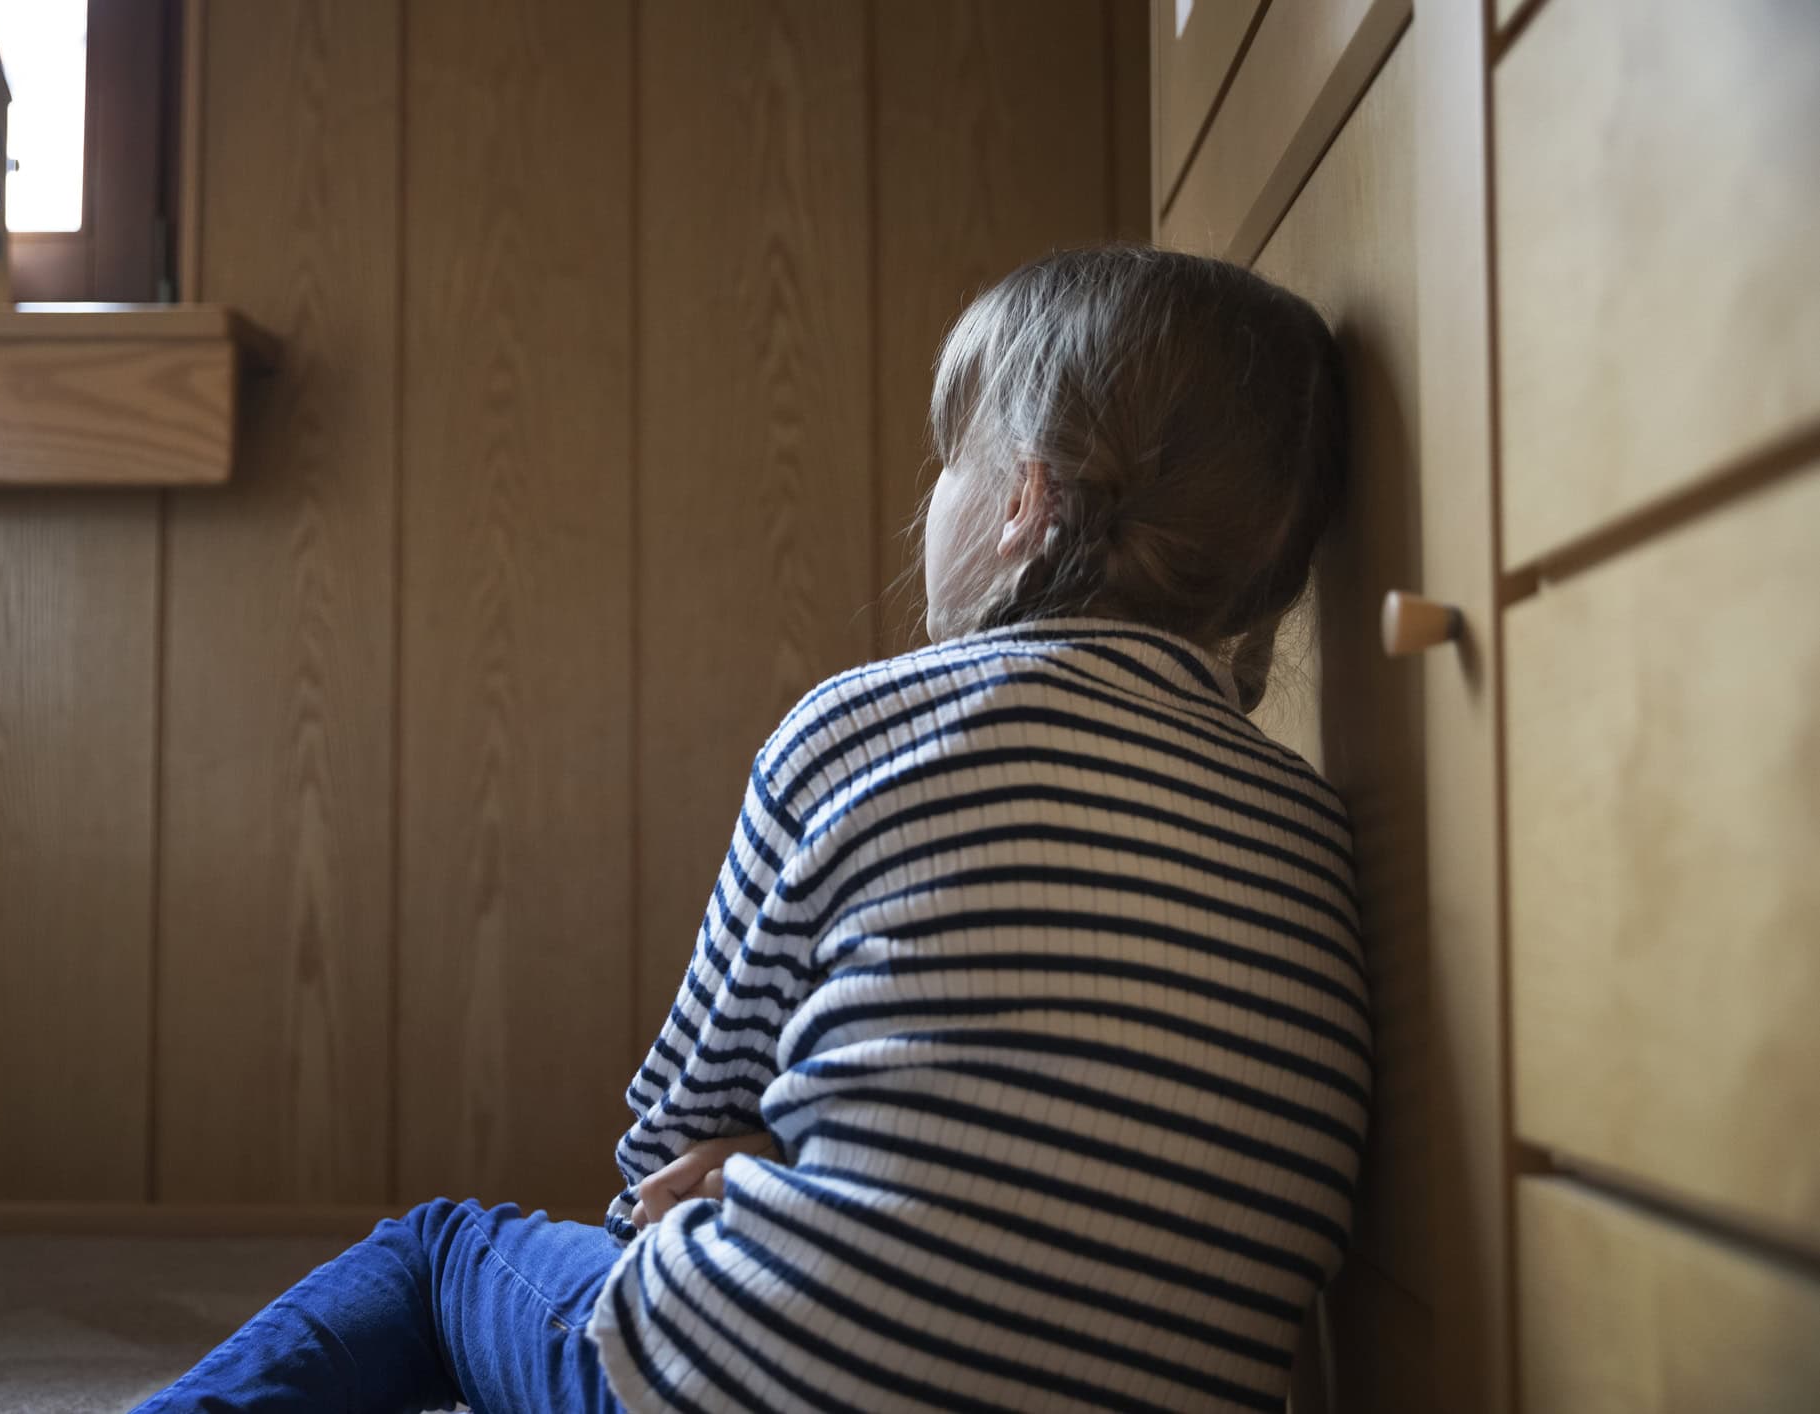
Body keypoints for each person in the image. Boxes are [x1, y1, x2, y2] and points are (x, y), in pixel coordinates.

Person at [134, 242, 1368, 1414]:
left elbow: (665, 1147)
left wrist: (756, 1156)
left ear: (1025, 504)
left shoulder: (868, 726)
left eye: (950, 458)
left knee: (443, 1256)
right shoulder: (1313, 831)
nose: (928, 494)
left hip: (744, 1381)